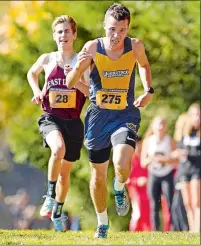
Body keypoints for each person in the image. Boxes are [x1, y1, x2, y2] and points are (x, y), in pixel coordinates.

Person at [66, 3, 153, 238]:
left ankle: (120, 188)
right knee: (98, 175)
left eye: (122, 30)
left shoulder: (135, 46)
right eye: (112, 29)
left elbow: (144, 65)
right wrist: (76, 66)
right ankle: (102, 223)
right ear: (105, 26)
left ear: (128, 29)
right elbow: (71, 82)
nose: (116, 35)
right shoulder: (93, 48)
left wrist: (148, 90)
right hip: (98, 118)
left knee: (123, 164)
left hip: (125, 114)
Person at [27, 15, 89, 232]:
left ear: (74, 35)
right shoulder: (47, 59)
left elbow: (90, 93)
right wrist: (37, 91)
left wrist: (75, 78)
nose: (63, 35)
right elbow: (31, 73)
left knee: (65, 173)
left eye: (67, 31)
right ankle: (50, 195)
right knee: (58, 148)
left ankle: (58, 209)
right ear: (54, 36)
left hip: (73, 122)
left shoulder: (82, 61)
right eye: (59, 32)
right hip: (50, 117)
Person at [141, 116, 178, 231]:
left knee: (171, 202)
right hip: (154, 175)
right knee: (154, 204)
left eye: (163, 124)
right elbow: (143, 162)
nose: (161, 127)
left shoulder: (169, 140)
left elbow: (176, 160)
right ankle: (156, 230)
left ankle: (173, 228)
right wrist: (151, 159)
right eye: (158, 124)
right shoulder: (148, 141)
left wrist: (164, 159)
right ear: (153, 126)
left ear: (166, 126)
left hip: (167, 174)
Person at [172, 104, 200, 232]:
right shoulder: (183, 135)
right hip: (184, 170)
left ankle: (197, 229)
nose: (197, 118)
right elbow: (176, 150)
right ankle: (192, 229)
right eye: (194, 115)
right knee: (188, 203)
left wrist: (189, 154)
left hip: (197, 170)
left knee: (196, 202)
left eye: (199, 115)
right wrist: (177, 153)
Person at [126, 137, 151, 231]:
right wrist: (137, 181)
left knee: (148, 213)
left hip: (148, 191)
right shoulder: (129, 160)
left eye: (139, 144)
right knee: (138, 213)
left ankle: (148, 232)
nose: (138, 147)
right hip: (135, 192)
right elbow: (125, 179)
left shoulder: (147, 159)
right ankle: (134, 232)